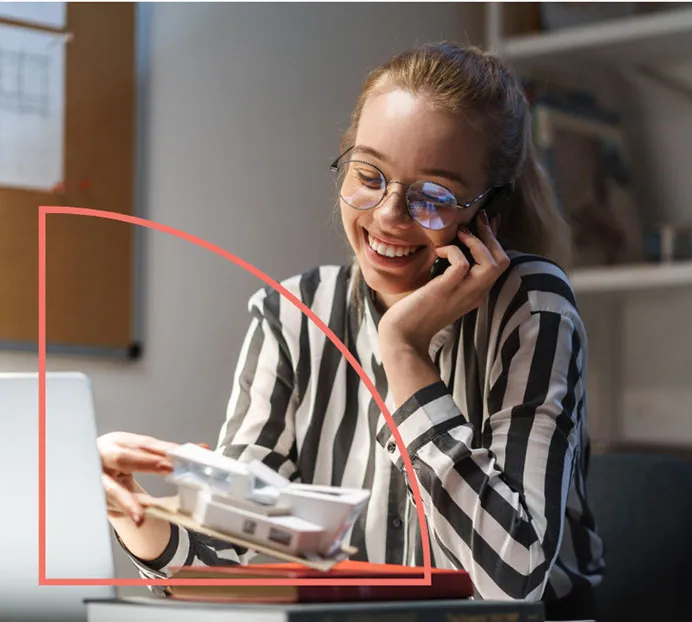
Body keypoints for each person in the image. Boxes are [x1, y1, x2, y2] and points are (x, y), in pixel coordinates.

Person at [99, 42, 604, 620]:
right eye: (370, 175)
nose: (389, 215)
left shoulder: (533, 307)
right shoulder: (291, 313)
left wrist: (403, 350)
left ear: (487, 211)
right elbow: (242, 561)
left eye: (434, 196)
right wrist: (136, 516)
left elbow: (511, 586)